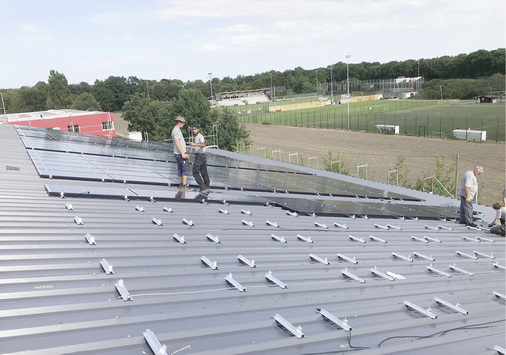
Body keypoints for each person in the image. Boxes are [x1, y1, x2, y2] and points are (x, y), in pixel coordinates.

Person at [171, 116, 192, 191]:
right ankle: (184, 186)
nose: (183, 124)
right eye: (183, 122)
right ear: (179, 122)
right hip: (180, 153)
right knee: (185, 169)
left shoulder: (176, 130)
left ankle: (181, 185)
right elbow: (177, 142)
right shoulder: (176, 131)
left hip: (178, 153)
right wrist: (182, 153)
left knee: (180, 168)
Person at [188, 124, 211, 193]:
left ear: (198, 129)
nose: (194, 131)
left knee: (195, 172)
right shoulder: (197, 136)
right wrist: (190, 128)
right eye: (193, 129)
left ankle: (203, 187)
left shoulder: (200, 136)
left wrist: (194, 144)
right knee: (204, 172)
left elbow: (203, 145)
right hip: (202, 156)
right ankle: (207, 186)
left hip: (200, 156)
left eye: (195, 129)